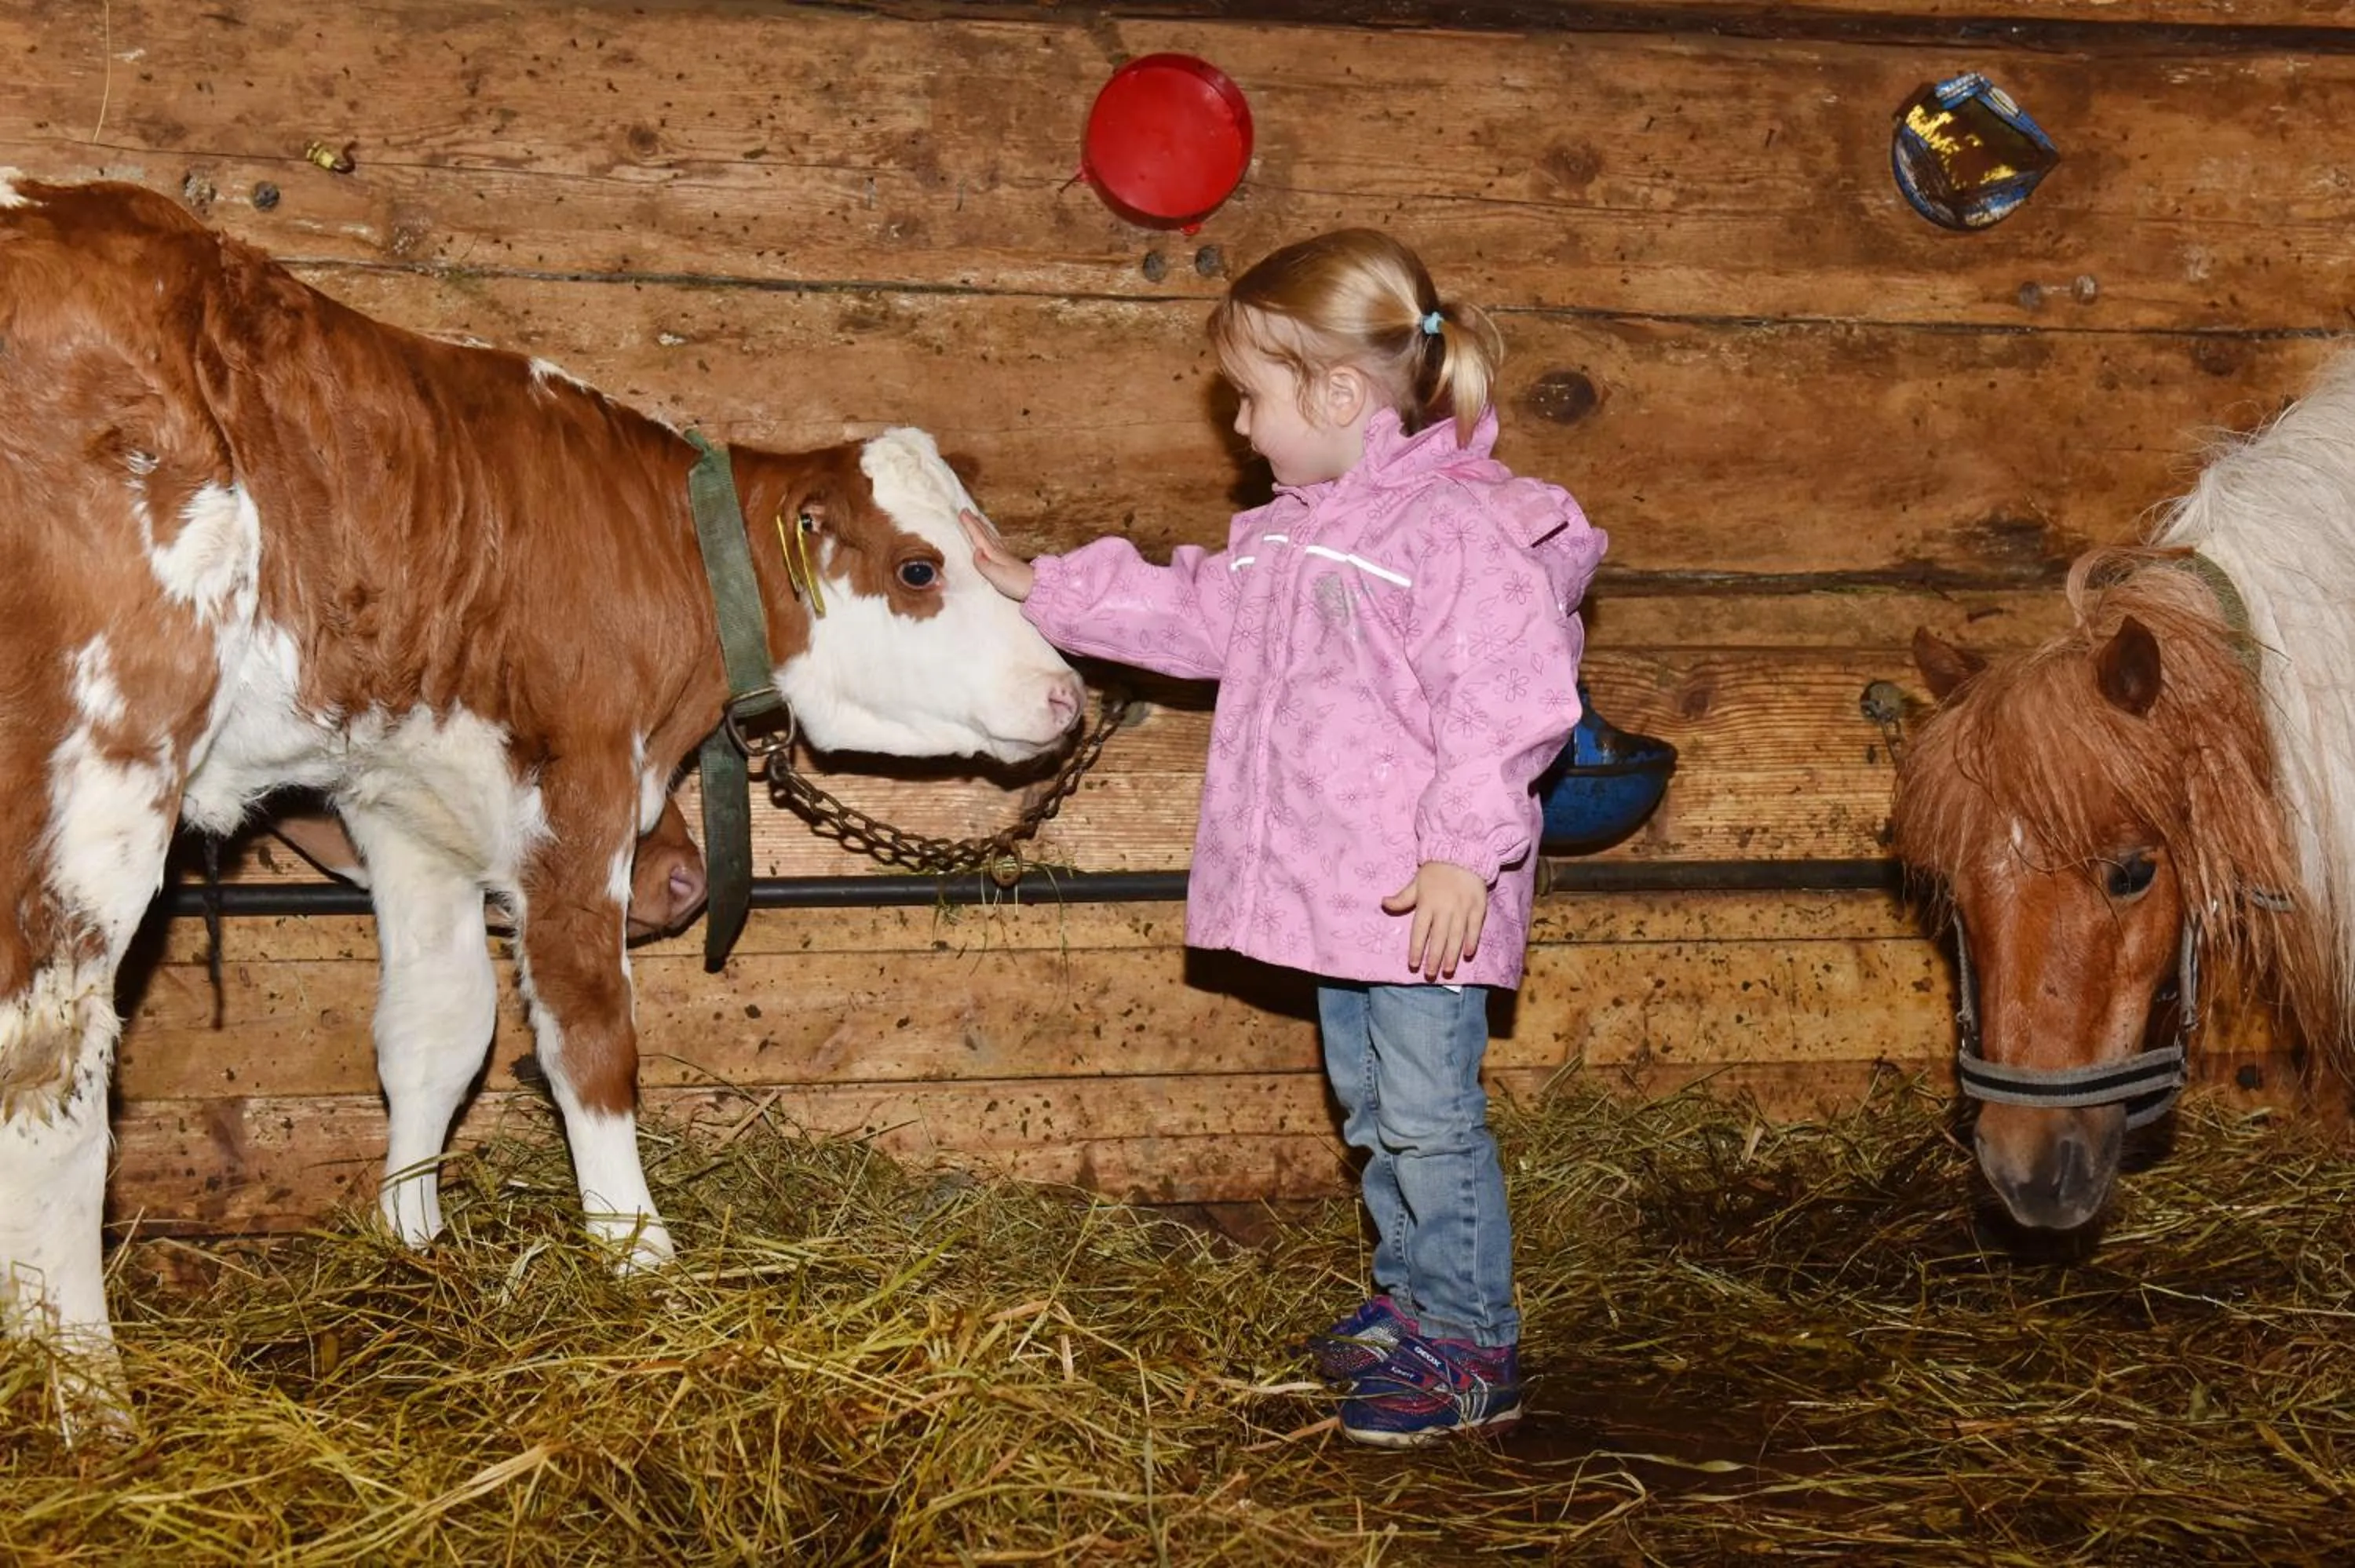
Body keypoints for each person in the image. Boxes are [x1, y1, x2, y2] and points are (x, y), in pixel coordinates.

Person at [959, 229, 1605, 1446]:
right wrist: (1042, 585)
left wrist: (1464, 852)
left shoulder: (1453, 533)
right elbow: (1189, 611)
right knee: (1374, 1109)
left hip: (1426, 897)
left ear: (1341, 395)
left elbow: (1507, 698)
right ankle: (1413, 1306)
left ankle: (1472, 1346)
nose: (1243, 427)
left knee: (1429, 1120)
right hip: (1345, 899)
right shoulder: (1291, 534)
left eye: (1252, 399)